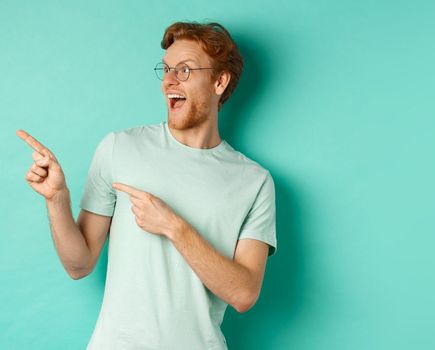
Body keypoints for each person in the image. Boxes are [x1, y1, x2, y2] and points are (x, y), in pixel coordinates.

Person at [16, 21, 277, 349]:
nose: (169, 81)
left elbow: (243, 294)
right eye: (166, 69)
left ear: (219, 81)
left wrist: (173, 226)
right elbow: (78, 265)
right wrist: (57, 199)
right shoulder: (120, 148)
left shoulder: (253, 182)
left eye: (184, 70)